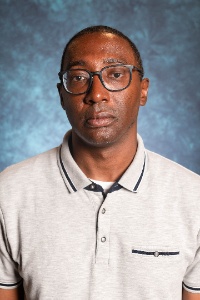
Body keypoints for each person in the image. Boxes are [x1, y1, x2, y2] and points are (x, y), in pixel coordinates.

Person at [0, 25, 199, 300]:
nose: (96, 94)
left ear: (143, 91)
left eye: (115, 74)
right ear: (61, 95)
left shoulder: (193, 197)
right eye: (79, 77)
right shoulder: (9, 192)